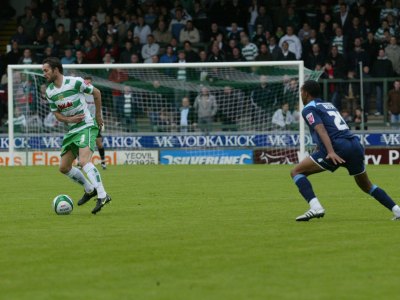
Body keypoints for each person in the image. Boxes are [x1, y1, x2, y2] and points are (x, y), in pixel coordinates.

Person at [291, 80, 400, 221]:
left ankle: (316, 207)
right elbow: (331, 127)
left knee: (296, 172)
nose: (301, 95)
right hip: (354, 144)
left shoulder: (308, 109)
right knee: (366, 185)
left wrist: (330, 151)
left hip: (337, 148)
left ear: (306, 93)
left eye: (301, 92)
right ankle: (397, 210)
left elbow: (321, 129)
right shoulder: (328, 105)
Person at [42, 57, 111, 215]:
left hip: (86, 125)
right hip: (72, 130)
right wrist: (68, 119)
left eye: (46, 70)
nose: (44, 74)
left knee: (84, 161)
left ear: (56, 70)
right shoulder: (50, 92)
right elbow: (57, 114)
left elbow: (97, 93)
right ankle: (89, 189)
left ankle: (103, 194)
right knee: (64, 167)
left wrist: (98, 117)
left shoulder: (75, 82)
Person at [83, 76, 107, 169]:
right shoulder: (82, 94)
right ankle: (82, 162)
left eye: (90, 83)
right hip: (84, 121)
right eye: (87, 83)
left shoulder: (95, 93)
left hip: (95, 121)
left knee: (99, 143)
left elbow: (99, 108)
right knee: (82, 142)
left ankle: (103, 162)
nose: (88, 85)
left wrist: (101, 121)